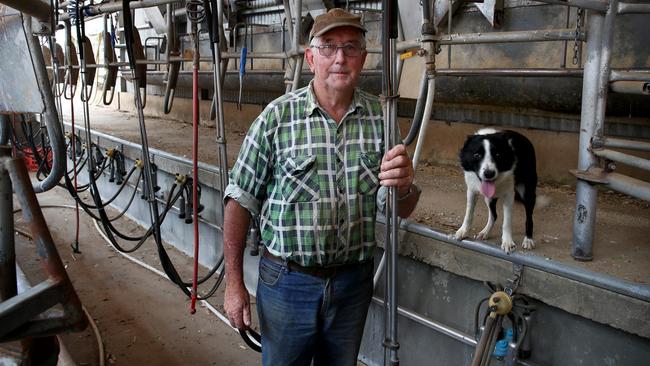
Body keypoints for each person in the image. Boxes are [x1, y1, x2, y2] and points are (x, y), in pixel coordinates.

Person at [222, 8, 420, 366]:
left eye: (350, 47)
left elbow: (395, 209)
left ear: (364, 57)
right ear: (311, 58)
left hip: (351, 284)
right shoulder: (277, 118)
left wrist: (404, 187)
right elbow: (239, 200)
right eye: (328, 47)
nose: (340, 57)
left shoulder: (382, 120)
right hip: (287, 282)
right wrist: (234, 284)